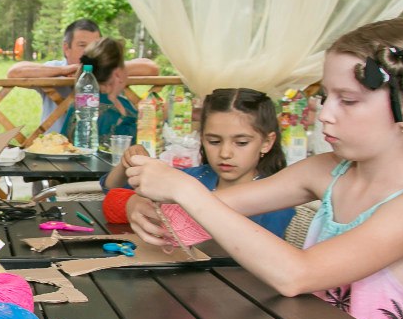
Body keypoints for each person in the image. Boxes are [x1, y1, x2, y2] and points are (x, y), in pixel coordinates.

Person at [126, 18, 403, 319]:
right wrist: (145, 206)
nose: (325, 115)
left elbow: (296, 274)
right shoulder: (327, 170)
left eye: (348, 100)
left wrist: (185, 190)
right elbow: (206, 211)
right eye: (326, 98)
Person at [104, 88, 293, 238]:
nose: (225, 153)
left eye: (241, 143)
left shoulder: (277, 202)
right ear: (201, 138)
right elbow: (111, 190)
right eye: (214, 141)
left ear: (267, 143)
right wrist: (129, 162)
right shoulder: (194, 177)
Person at [6, 19, 160, 134]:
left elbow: (151, 68)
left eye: (95, 45)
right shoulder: (57, 68)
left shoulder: (111, 70)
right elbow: (15, 72)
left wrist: (105, 66)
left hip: (105, 150)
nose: (89, 51)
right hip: (56, 150)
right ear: (66, 48)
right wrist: (64, 71)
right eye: (82, 45)